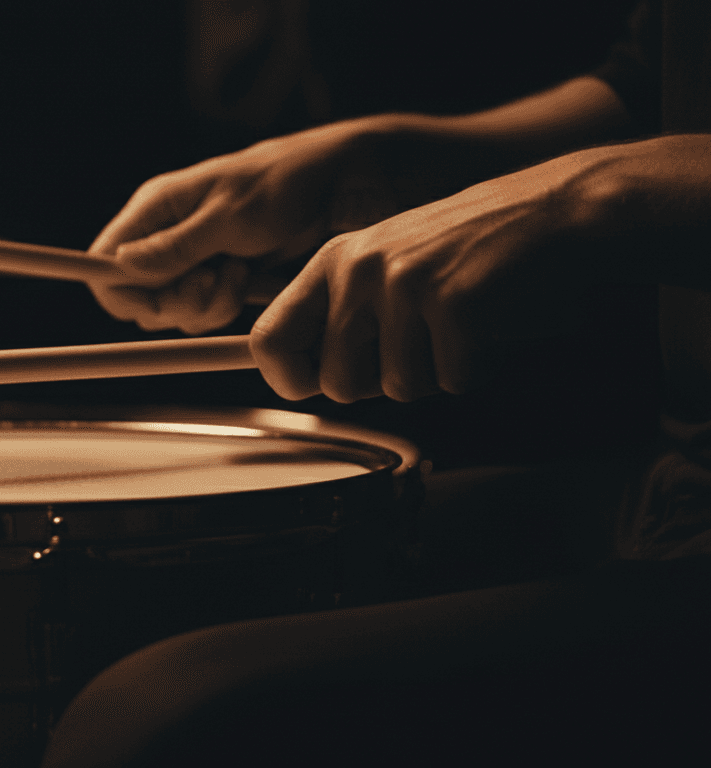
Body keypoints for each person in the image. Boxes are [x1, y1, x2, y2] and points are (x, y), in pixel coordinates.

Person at [43, 1, 711, 765]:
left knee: (151, 722)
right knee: (114, 611)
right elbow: (654, 84)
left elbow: (636, 172)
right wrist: (382, 163)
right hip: (676, 480)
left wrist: (587, 197)